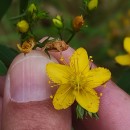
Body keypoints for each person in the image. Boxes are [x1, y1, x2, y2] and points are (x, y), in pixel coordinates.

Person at [0, 47, 130, 130]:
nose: (78, 80)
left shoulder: (90, 94)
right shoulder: (60, 75)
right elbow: (51, 68)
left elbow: (93, 105)